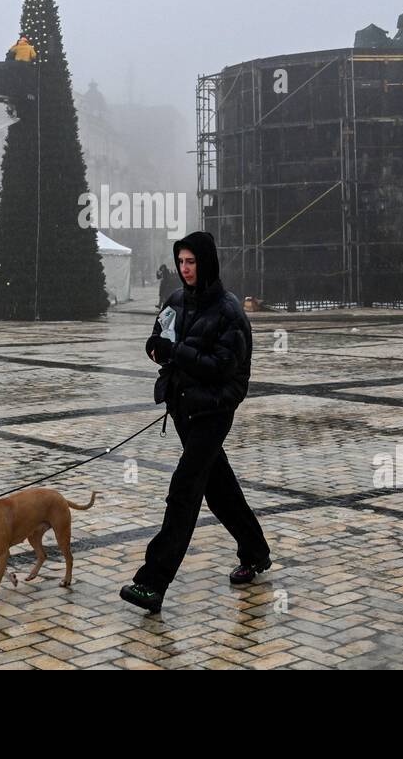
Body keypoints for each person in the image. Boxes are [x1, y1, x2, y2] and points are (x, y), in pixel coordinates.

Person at [121, 231, 271, 614]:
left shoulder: (229, 311)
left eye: (191, 262)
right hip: (183, 408)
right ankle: (255, 552)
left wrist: (178, 352)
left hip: (213, 411)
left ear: (206, 263)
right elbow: (160, 337)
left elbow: (222, 368)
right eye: (181, 262)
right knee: (219, 488)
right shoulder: (175, 301)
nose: (185, 269)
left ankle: (152, 583)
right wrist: (156, 348)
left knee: (185, 490)